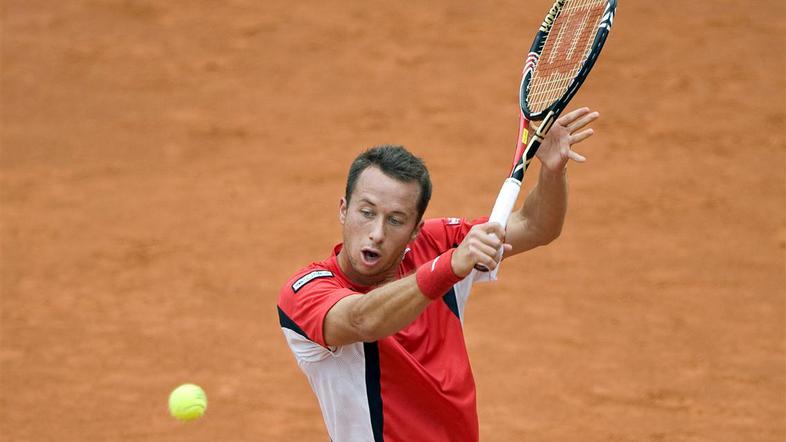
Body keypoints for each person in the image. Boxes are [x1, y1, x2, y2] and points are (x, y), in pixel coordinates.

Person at [277, 108, 599, 441]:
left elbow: (535, 226)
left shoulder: (436, 244)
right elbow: (363, 320)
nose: (376, 232)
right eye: (367, 212)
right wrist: (449, 266)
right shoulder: (305, 292)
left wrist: (551, 170)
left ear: (416, 230)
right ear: (344, 209)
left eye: (396, 220)